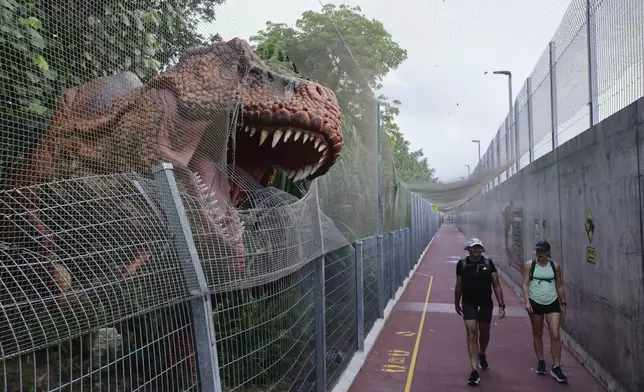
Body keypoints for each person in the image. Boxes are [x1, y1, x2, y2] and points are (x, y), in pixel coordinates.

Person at [455, 238, 506, 386]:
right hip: (468, 302)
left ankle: (482, 353)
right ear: (468, 250)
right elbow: (458, 284)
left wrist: (501, 305)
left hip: (485, 303)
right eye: (473, 248)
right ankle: (474, 371)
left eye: (479, 248)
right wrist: (456, 302)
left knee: (484, 334)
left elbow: (496, 285)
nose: (476, 251)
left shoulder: (488, 264)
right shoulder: (462, 264)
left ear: (482, 250)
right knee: (472, 332)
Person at [522, 240, 568, 383]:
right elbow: (525, 284)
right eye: (537, 251)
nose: (539, 254)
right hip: (535, 302)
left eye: (542, 251)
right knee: (538, 332)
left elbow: (559, 285)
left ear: (548, 252)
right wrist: (527, 301)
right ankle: (541, 361)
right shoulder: (530, 265)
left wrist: (563, 302)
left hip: (552, 302)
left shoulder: (555, 266)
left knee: (555, 334)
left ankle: (556, 366)